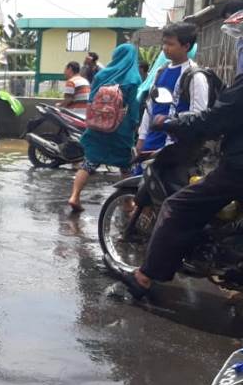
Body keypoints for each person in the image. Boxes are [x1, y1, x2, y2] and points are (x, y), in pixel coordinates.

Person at [119, 59, 243, 299]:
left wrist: (172, 123)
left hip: (236, 166)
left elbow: (213, 118)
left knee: (178, 206)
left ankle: (143, 278)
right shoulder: (167, 73)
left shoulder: (196, 76)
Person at [67, 43, 143, 212]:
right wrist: (134, 125)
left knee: (89, 163)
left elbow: (91, 100)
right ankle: (127, 203)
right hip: (120, 128)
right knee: (125, 166)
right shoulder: (133, 77)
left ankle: (74, 196)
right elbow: (134, 106)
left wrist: (92, 120)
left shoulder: (103, 74)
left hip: (98, 125)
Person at [135, 23, 209, 161]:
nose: (165, 48)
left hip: (176, 146)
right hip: (152, 141)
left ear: (186, 46)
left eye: (171, 44)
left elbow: (198, 114)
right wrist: (142, 137)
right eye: (164, 43)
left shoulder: (195, 76)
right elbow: (150, 107)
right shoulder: (160, 71)